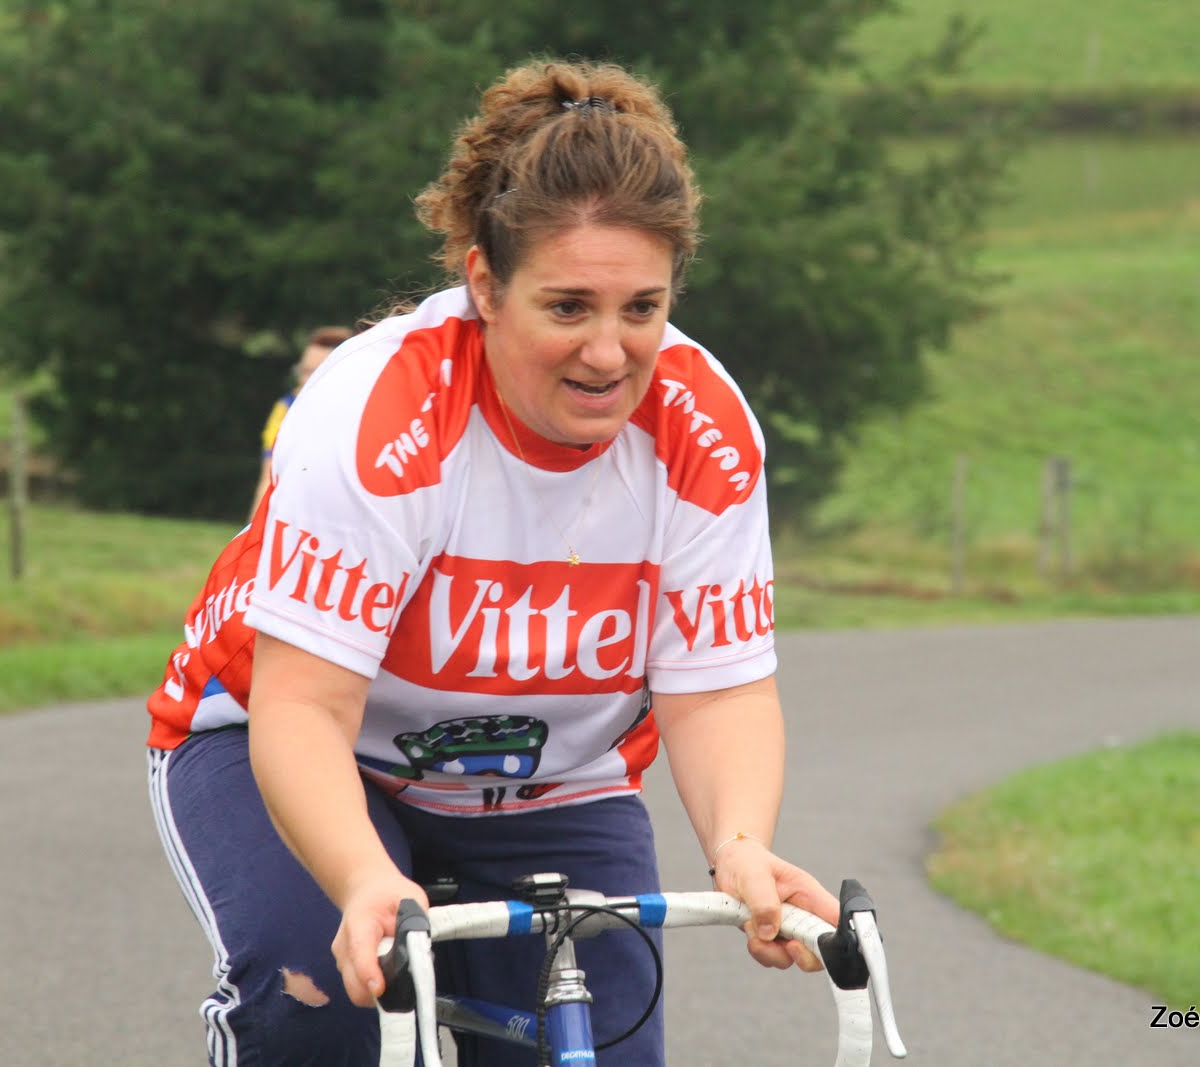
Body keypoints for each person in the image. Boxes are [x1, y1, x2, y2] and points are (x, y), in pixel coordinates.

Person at [146, 58, 840, 1067]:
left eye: (641, 308)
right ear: (484, 285)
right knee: (321, 1003)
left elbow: (717, 689)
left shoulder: (703, 429)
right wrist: (360, 877)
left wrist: (739, 845)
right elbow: (306, 707)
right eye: (568, 307)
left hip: (552, 786)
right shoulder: (380, 415)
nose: (608, 352)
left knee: (598, 1046)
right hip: (299, 744)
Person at [250, 325, 354, 517]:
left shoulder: (356, 415)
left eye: (314, 373)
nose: (304, 382)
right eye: (302, 371)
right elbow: (268, 477)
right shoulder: (286, 408)